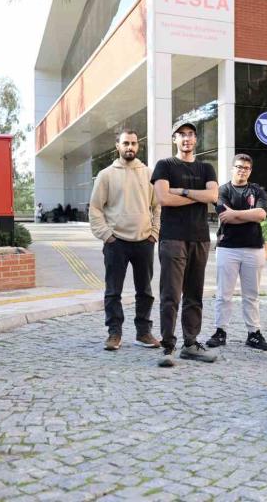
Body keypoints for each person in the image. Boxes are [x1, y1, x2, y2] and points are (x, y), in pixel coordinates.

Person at [151, 122, 220, 367]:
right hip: (172, 237)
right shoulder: (165, 165)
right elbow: (163, 198)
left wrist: (181, 191)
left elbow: (213, 196)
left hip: (200, 238)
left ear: (196, 140)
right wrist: (197, 195)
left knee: (194, 294)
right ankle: (167, 346)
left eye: (191, 134)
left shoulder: (206, 168)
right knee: (170, 294)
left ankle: (190, 344)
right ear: (174, 139)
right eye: (181, 135)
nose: (187, 138)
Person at [89, 129, 161, 351]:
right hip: (116, 243)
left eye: (133, 143)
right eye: (126, 143)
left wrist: (154, 233)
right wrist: (106, 235)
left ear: (138, 146)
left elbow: (158, 206)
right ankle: (114, 333)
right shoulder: (106, 175)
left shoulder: (149, 173)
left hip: (144, 241)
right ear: (117, 146)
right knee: (113, 292)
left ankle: (143, 332)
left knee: (145, 291)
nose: (130, 147)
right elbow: (95, 208)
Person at [206, 153, 267, 351]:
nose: (242, 171)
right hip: (228, 248)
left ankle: (254, 334)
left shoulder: (257, 190)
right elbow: (224, 217)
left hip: (254, 248)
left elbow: (261, 214)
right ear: (232, 168)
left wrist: (235, 213)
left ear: (250, 171)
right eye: (239, 167)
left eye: (246, 168)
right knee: (223, 294)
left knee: (251, 295)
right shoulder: (222, 190)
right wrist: (247, 215)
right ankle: (220, 332)